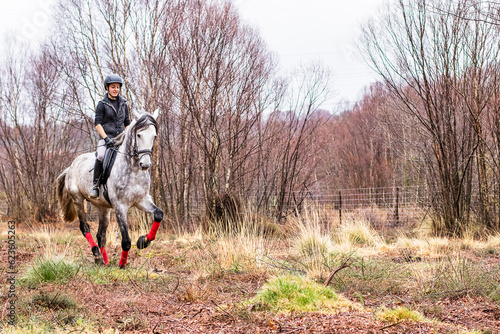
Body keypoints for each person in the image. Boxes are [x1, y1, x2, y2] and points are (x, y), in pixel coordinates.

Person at [90, 74, 131, 199]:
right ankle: (95, 185)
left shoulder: (124, 104)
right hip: (106, 138)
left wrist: (127, 136)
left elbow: (127, 123)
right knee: (101, 155)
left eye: (118, 87)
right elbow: (97, 124)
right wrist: (106, 138)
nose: (116, 89)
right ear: (107, 88)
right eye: (113, 87)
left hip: (121, 139)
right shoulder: (102, 104)